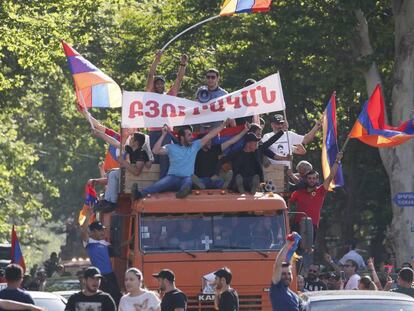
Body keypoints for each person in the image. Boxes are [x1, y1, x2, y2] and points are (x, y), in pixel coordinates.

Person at [132, 120, 231, 199]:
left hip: (186, 177)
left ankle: (182, 193)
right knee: (158, 185)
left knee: (188, 182)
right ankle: (139, 194)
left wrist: (223, 125)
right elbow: (156, 150)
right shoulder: (171, 147)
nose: (192, 137)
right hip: (172, 177)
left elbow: (210, 135)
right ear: (182, 137)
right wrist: (163, 135)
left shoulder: (195, 145)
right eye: (189, 135)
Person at [146, 51, 188, 178]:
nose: (159, 85)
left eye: (161, 83)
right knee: (155, 157)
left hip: (166, 131)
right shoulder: (150, 95)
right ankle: (155, 183)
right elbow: (150, 75)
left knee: (166, 155)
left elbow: (178, 80)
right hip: (154, 131)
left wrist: (183, 64)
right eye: (157, 83)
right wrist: (156, 60)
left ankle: (165, 180)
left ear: (164, 84)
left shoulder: (168, 96)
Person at [92, 131, 152, 212]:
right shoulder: (132, 150)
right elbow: (115, 143)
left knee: (113, 174)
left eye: (132, 139)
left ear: (136, 142)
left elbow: (136, 172)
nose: (129, 139)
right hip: (129, 175)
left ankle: (112, 202)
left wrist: (123, 162)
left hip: (137, 179)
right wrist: (99, 134)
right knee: (112, 174)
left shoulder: (141, 154)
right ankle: (107, 200)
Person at [289, 152, 343, 237]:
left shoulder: (320, 191)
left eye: (314, 178)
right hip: (297, 226)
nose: (311, 180)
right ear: (305, 179)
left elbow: (330, 177)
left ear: (317, 180)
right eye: (309, 178)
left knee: (308, 249)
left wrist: (337, 161)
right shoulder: (298, 192)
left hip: (312, 226)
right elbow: (288, 204)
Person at [192, 124, 250, 190]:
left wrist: (245, 131)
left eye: (210, 140)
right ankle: (200, 185)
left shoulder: (215, 149)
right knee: (200, 181)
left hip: (214, 179)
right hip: (201, 179)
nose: (210, 142)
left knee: (219, 181)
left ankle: (225, 184)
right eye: (207, 141)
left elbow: (231, 142)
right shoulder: (195, 151)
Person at [81, 217, 122, 305]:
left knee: (117, 299)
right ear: (92, 232)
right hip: (99, 277)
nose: (102, 232)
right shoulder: (88, 243)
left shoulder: (104, 243)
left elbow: (117, 247)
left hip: (111, 276)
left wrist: (130, 241)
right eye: (99, 230)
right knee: (102, 301)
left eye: (103, 230)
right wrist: (88, 213)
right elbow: (84, 230)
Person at [270, 235, 303, 311]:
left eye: (289, 273)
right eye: (283, 274)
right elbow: (278, 264)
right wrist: (288, 244)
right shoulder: (276, 288)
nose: (287, 276)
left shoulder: (295, 296)